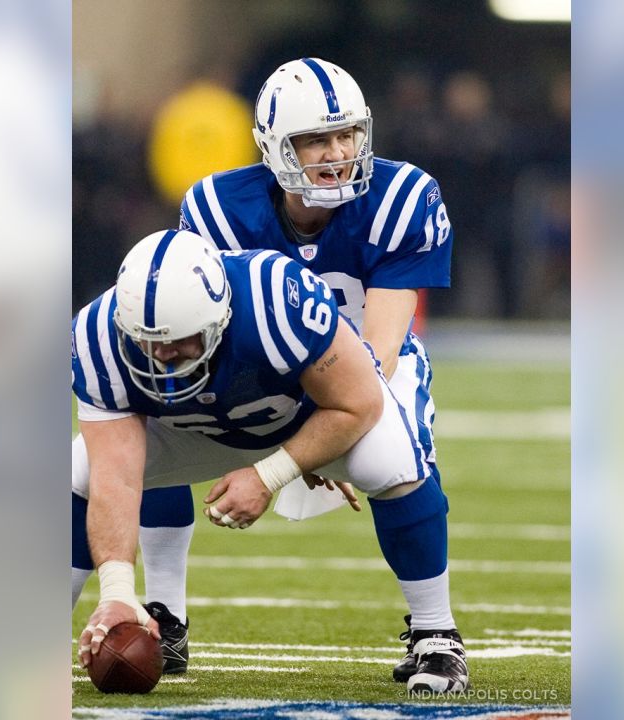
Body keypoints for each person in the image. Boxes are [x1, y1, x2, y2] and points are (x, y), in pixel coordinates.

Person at [71, 57, 458, 684]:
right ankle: (162, 613)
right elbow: (193, 319)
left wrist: (311, 448)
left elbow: (378, 356)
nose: (336, 153)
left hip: (357, 371)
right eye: (314, 139)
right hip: (249, 365)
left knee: (391, 461)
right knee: (135, 422)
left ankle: (435, 632)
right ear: (274, 147)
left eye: (346, 135)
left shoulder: (402, 197)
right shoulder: (218, 208)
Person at [72, 229, 468, 693]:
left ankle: (436, 633)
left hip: (306, 418)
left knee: (390, 460)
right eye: (146, 342)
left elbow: (360, 403)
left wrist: (272, 473)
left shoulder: (275, 298)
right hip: (197, 428)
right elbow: (116, 477)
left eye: (179, 342)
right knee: (77, 471)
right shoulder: (96, 334)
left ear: (217, 319)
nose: (161, 357)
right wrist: (117, 593)